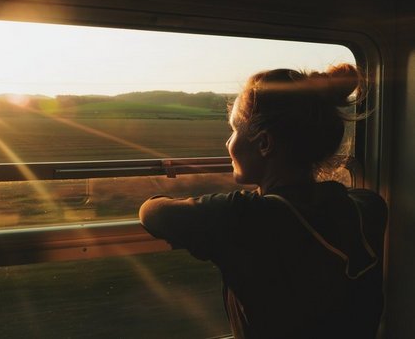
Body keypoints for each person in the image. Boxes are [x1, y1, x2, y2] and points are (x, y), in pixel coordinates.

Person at [139, 64, 387, 339]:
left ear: (265, 143)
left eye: (234, 130)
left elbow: (152, 212)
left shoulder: (244, 217)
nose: (228, 143)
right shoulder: (369, 207)